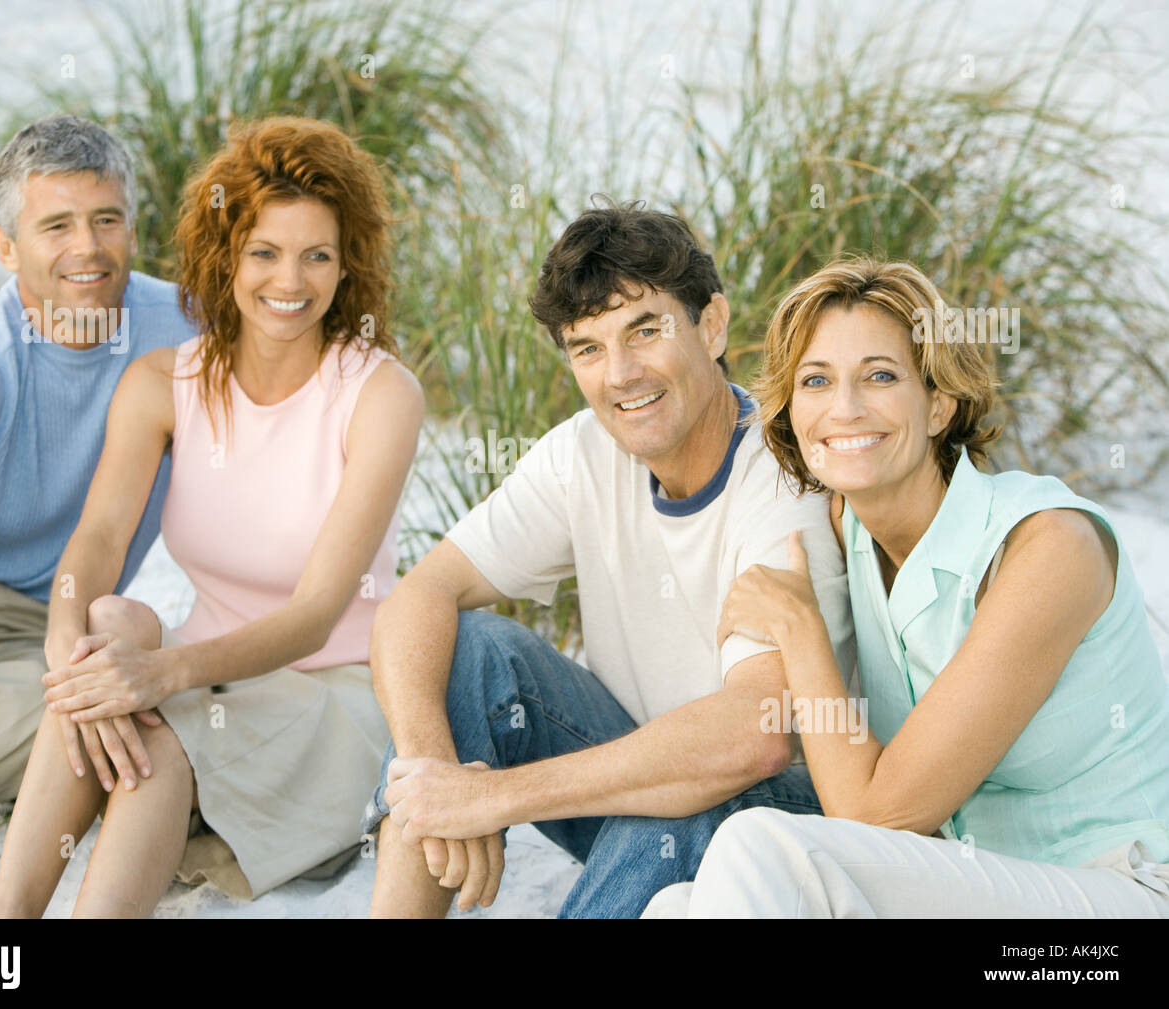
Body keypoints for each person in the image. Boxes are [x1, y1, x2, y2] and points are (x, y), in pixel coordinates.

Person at [364, 199, 855, 919]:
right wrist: (435, 774)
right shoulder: (583, 453)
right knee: (467, 651)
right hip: (655, 782)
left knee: (691, 791)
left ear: (711, 325)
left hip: (792, 815)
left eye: (645, 330)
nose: (619, 373)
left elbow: (756, 736)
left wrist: (488, 797)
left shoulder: (782, 477)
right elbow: (422, 593)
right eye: (587, 347)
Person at [0, 116, 422, 917]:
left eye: (316, 255)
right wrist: (64, 642)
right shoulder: (164, 382)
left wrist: (163, 674)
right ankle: (3, 924)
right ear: (225, 256)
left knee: (156, 728)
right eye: (264, 252)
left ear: (345, 263)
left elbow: (319, 613)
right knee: (106, 620)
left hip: (328, 688)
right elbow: (101, 538)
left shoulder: (380, 395)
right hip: (203, 666)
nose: (289, 281)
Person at [644, 256, 1169, 918]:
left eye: (881, 376)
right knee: (676, 905)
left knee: (760, 849)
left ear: (939, 405)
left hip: (1115, 904)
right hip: (964, 882)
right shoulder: (847, 525)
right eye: (816, 380)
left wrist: (802, 629)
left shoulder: (1048, 547)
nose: (845, 408)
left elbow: (876, 817)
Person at [0, 114, 197, 825]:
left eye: (106, 219)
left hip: (44, 637)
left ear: (132, 230)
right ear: (6, 247)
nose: (88, 247)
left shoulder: (183, 334)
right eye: (57, 226)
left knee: (80, 715)